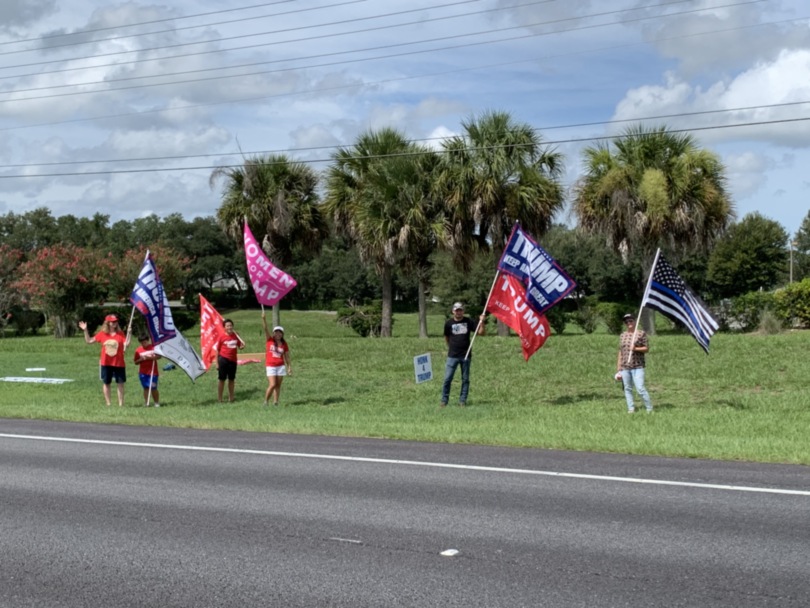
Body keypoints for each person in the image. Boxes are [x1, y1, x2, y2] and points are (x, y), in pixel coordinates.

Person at [78, 314, 131, 407]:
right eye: (113, 321)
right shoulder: (102, 334)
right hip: (106, 362)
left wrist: (129, 333)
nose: (115, 323)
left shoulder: (120, 333)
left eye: (116, 321)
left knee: (120, 383)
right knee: (106, 383)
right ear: (108, 323)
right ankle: (108, 403)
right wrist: (85, 330)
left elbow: (127, 344)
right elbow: (89, 341)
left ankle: (121, 404)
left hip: (119, 362)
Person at [441, 302, 485, 407]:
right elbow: (446, 337)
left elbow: (481, 333)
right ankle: (444, 401)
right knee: (447, 379)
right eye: (456, 310)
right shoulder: (448, 323)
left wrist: (482, 322)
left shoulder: (468, 321)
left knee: (465, 379)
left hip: (466, 356)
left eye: (460, 310)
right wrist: (450, 347)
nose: (458, 312)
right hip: (452, 355)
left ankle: (462, 401)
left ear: (463, 311)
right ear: (453, 311)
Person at [617, 313, 653, 414]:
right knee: (627, 388)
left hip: (638, 366)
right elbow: (620, 351)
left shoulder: (641, 333)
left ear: (635, 321)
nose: (629, 323)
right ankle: (631, 408)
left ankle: (649, 408)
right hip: (625, 367)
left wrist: (636, 348)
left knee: (640, 388)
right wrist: (619, 367)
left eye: (631, 320)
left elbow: (646, 349)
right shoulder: (623, 335)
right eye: (626, 321)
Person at [261, 312, 291, 406]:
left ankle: (276, 402)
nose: (278, 334)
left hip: (280, 366)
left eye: (280, 332)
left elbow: (287, 356)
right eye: (276, 332)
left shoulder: (284, 344)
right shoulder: (269, 340)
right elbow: (265, 329)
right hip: (270, 366)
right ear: (274, 333)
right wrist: (264, 319)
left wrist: (289, 366)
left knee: (278, 385)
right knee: (272, 384)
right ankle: (266, 401)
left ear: (282, 334)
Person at [215, 318, 245, 403]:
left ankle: (231, 398)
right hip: (223, 360)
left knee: (231, 379)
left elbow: (240, 346)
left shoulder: (236, 335)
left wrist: (242, 346)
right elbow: (217, 350)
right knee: (222, 379)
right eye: (227, 326)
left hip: (233, 361)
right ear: (224, 327)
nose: (229, 327)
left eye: (231, 325)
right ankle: (220, 399)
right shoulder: (221, 337)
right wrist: (217, 363)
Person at [133, 333, 161, 407]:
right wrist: (141, 359)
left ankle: (156, 402)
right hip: (143, 372)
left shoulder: (153, 348)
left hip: (153, 372)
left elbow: (159, 356)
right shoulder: (138, 350)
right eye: (142, 343)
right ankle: (146, 402)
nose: (144, 344)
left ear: (148, 341)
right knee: (146, 387)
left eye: (145, 342)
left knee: (153, 387)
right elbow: (135, 362)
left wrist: (149, 358)